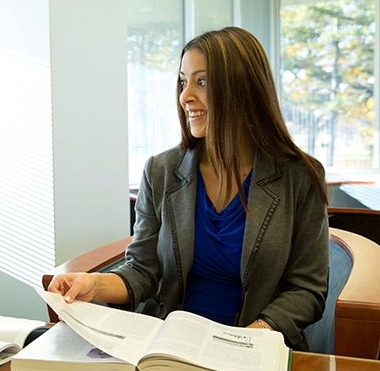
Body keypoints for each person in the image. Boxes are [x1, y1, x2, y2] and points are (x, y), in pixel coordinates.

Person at [49, 26, 329, 351]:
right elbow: (143, 268)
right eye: (183, 82)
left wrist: (246, 339)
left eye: (202, 81)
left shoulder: (299, 177)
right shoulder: (161, 171)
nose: (185, 96)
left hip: (257, 348)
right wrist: (92, 284)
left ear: (243, 89)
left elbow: (307, 290)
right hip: (170, 348)